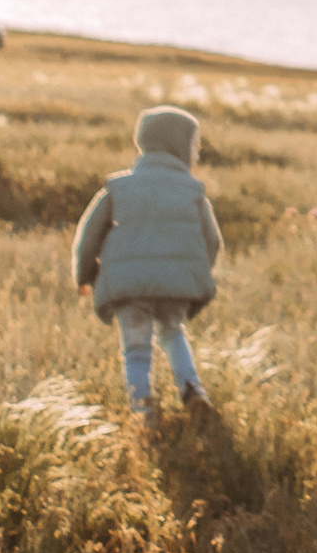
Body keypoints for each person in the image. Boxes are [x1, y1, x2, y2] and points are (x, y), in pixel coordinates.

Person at [74, 105, 223, 418]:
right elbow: (212, 240)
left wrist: (84, 274)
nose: (197, 152)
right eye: (195, 145)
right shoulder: (193, 191)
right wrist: (193, 275)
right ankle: (191, 389)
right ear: (178, 147)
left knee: (136, 348)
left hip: (130, 286)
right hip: (177, 285)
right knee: (172, 331)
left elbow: (89, 235)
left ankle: (142, 411)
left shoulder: (118, 187)